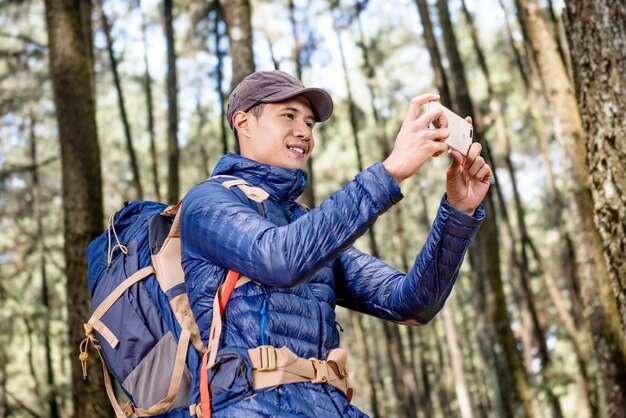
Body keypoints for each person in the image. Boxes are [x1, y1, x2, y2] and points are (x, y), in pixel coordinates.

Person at [180, 70, 492, 417]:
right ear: (243, 123)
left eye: (310, 123)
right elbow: (280, 259)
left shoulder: (304, 224)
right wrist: (389, 172)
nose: (304, 131)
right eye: (289, 115)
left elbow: (411, 303)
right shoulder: (207, 202)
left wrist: (459, 212)